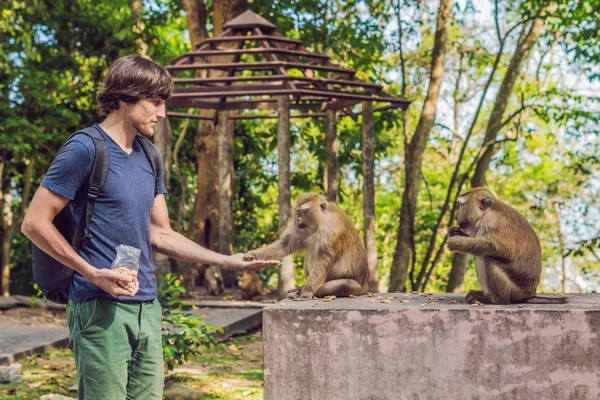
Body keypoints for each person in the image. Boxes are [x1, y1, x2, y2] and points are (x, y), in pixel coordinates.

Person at [21, 54, 279, 400]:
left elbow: (161, 233)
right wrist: (91, 272)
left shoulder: (150, 155)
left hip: (147, 307)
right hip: (99, 307)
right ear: (126, 98)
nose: (162, 112)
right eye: (155, 102)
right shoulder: (85, 149)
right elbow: (35, 222)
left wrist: (227, 260)